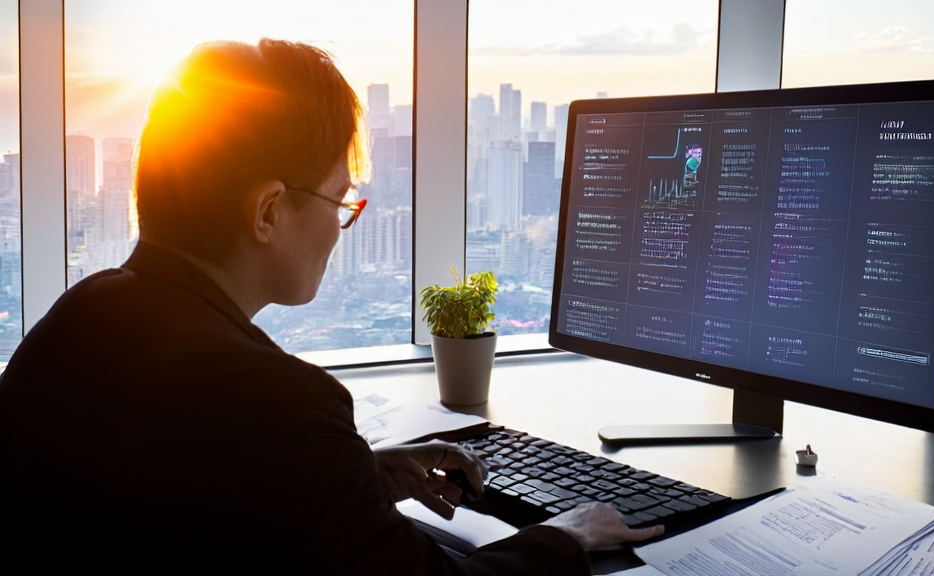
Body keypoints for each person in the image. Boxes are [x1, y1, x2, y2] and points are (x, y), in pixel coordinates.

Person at [0, 39, 662, 574]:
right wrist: (567, 537)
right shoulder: (278, 402)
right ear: (267, 211)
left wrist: (354, 477)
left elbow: (171, 494)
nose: (341, 228)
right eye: (339, 201)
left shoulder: (79, 319)